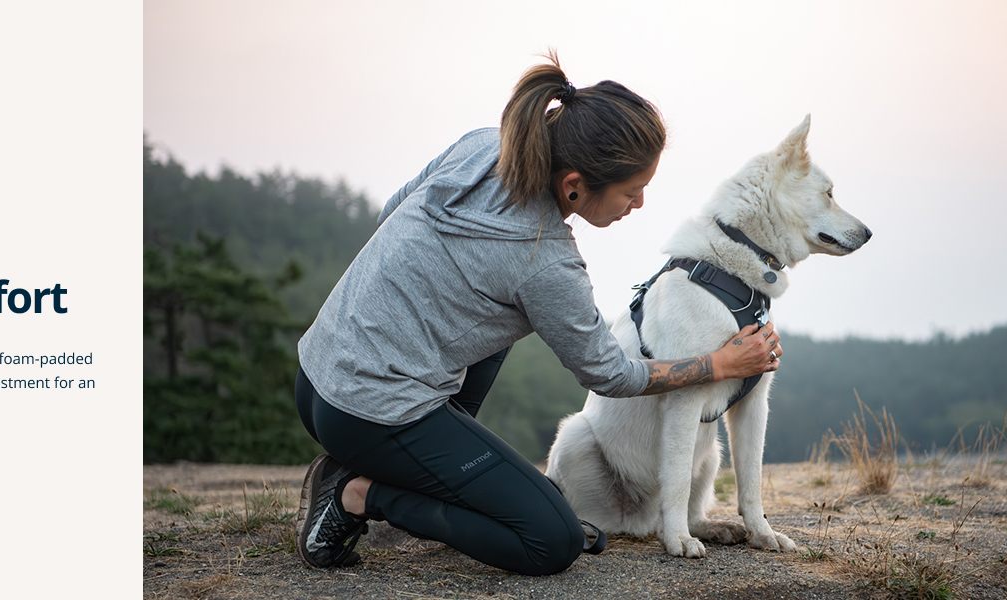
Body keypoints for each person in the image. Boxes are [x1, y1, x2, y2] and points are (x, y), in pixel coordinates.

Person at [293, 53, 782, 576]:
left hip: (315, 377)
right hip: (371, 414)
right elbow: (611, 374)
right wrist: (718, 365)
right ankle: (355, 493)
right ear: (574, 185)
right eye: (631, 190)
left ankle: (402, 461)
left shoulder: (481, 145)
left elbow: (391, 210)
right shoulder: (546, 260)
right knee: (550, 539)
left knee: (498, 328)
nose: (638, 203)